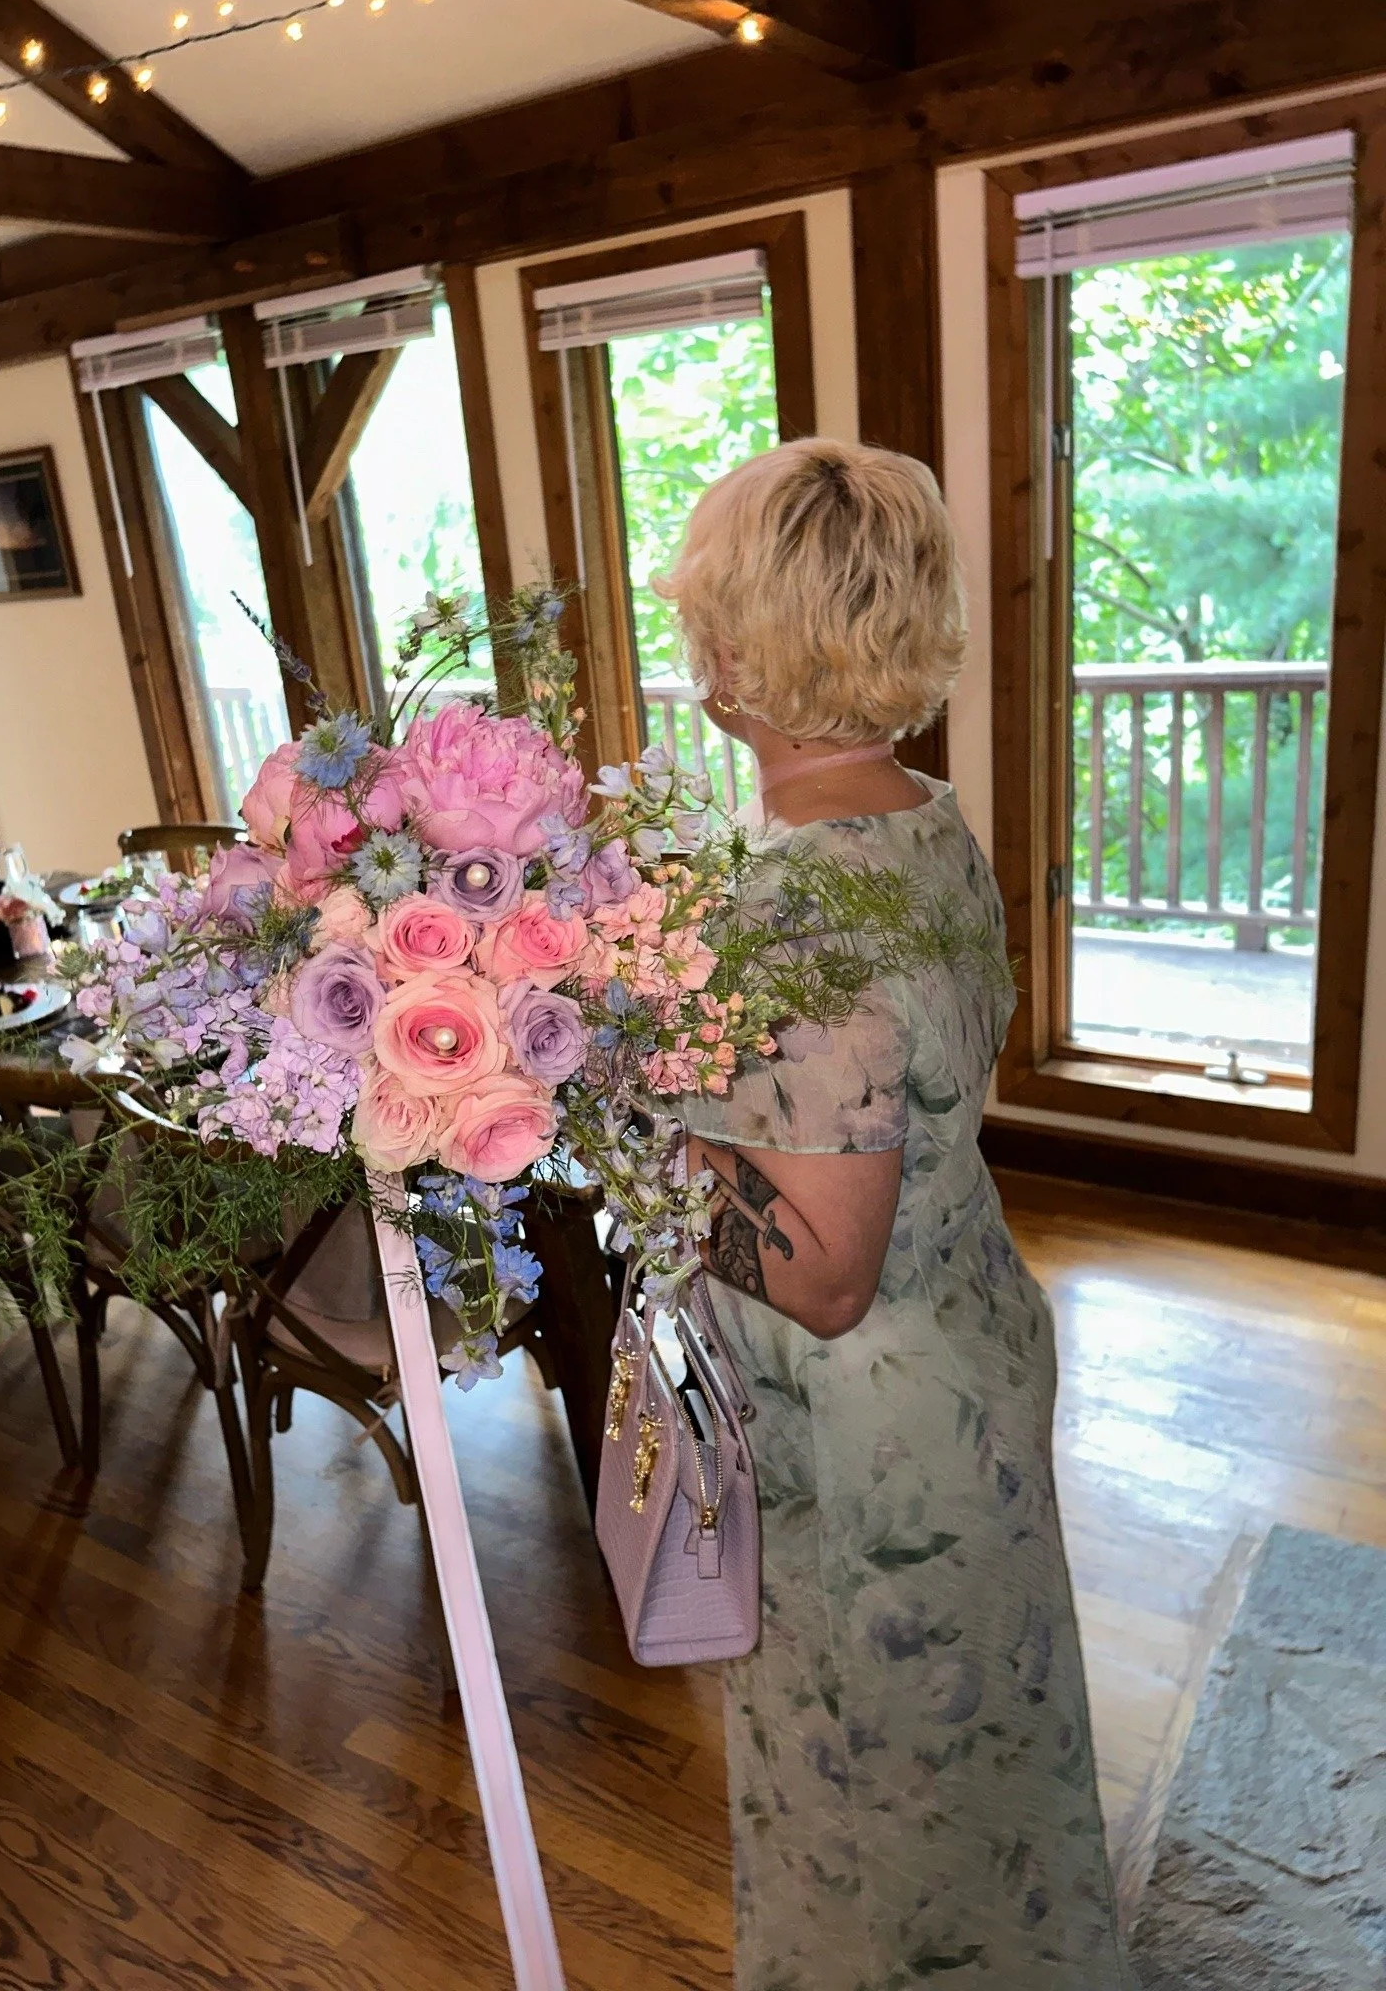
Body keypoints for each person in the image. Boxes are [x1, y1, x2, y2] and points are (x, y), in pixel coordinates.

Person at [661, 440, 1134, 1989]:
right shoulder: (923, 817)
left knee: (883, 1809)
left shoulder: (795, 899)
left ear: (739, 645)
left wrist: (624, 1143)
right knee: (973, 1777)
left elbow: (817, 1274)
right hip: (974, 1339)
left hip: (874, 1424)